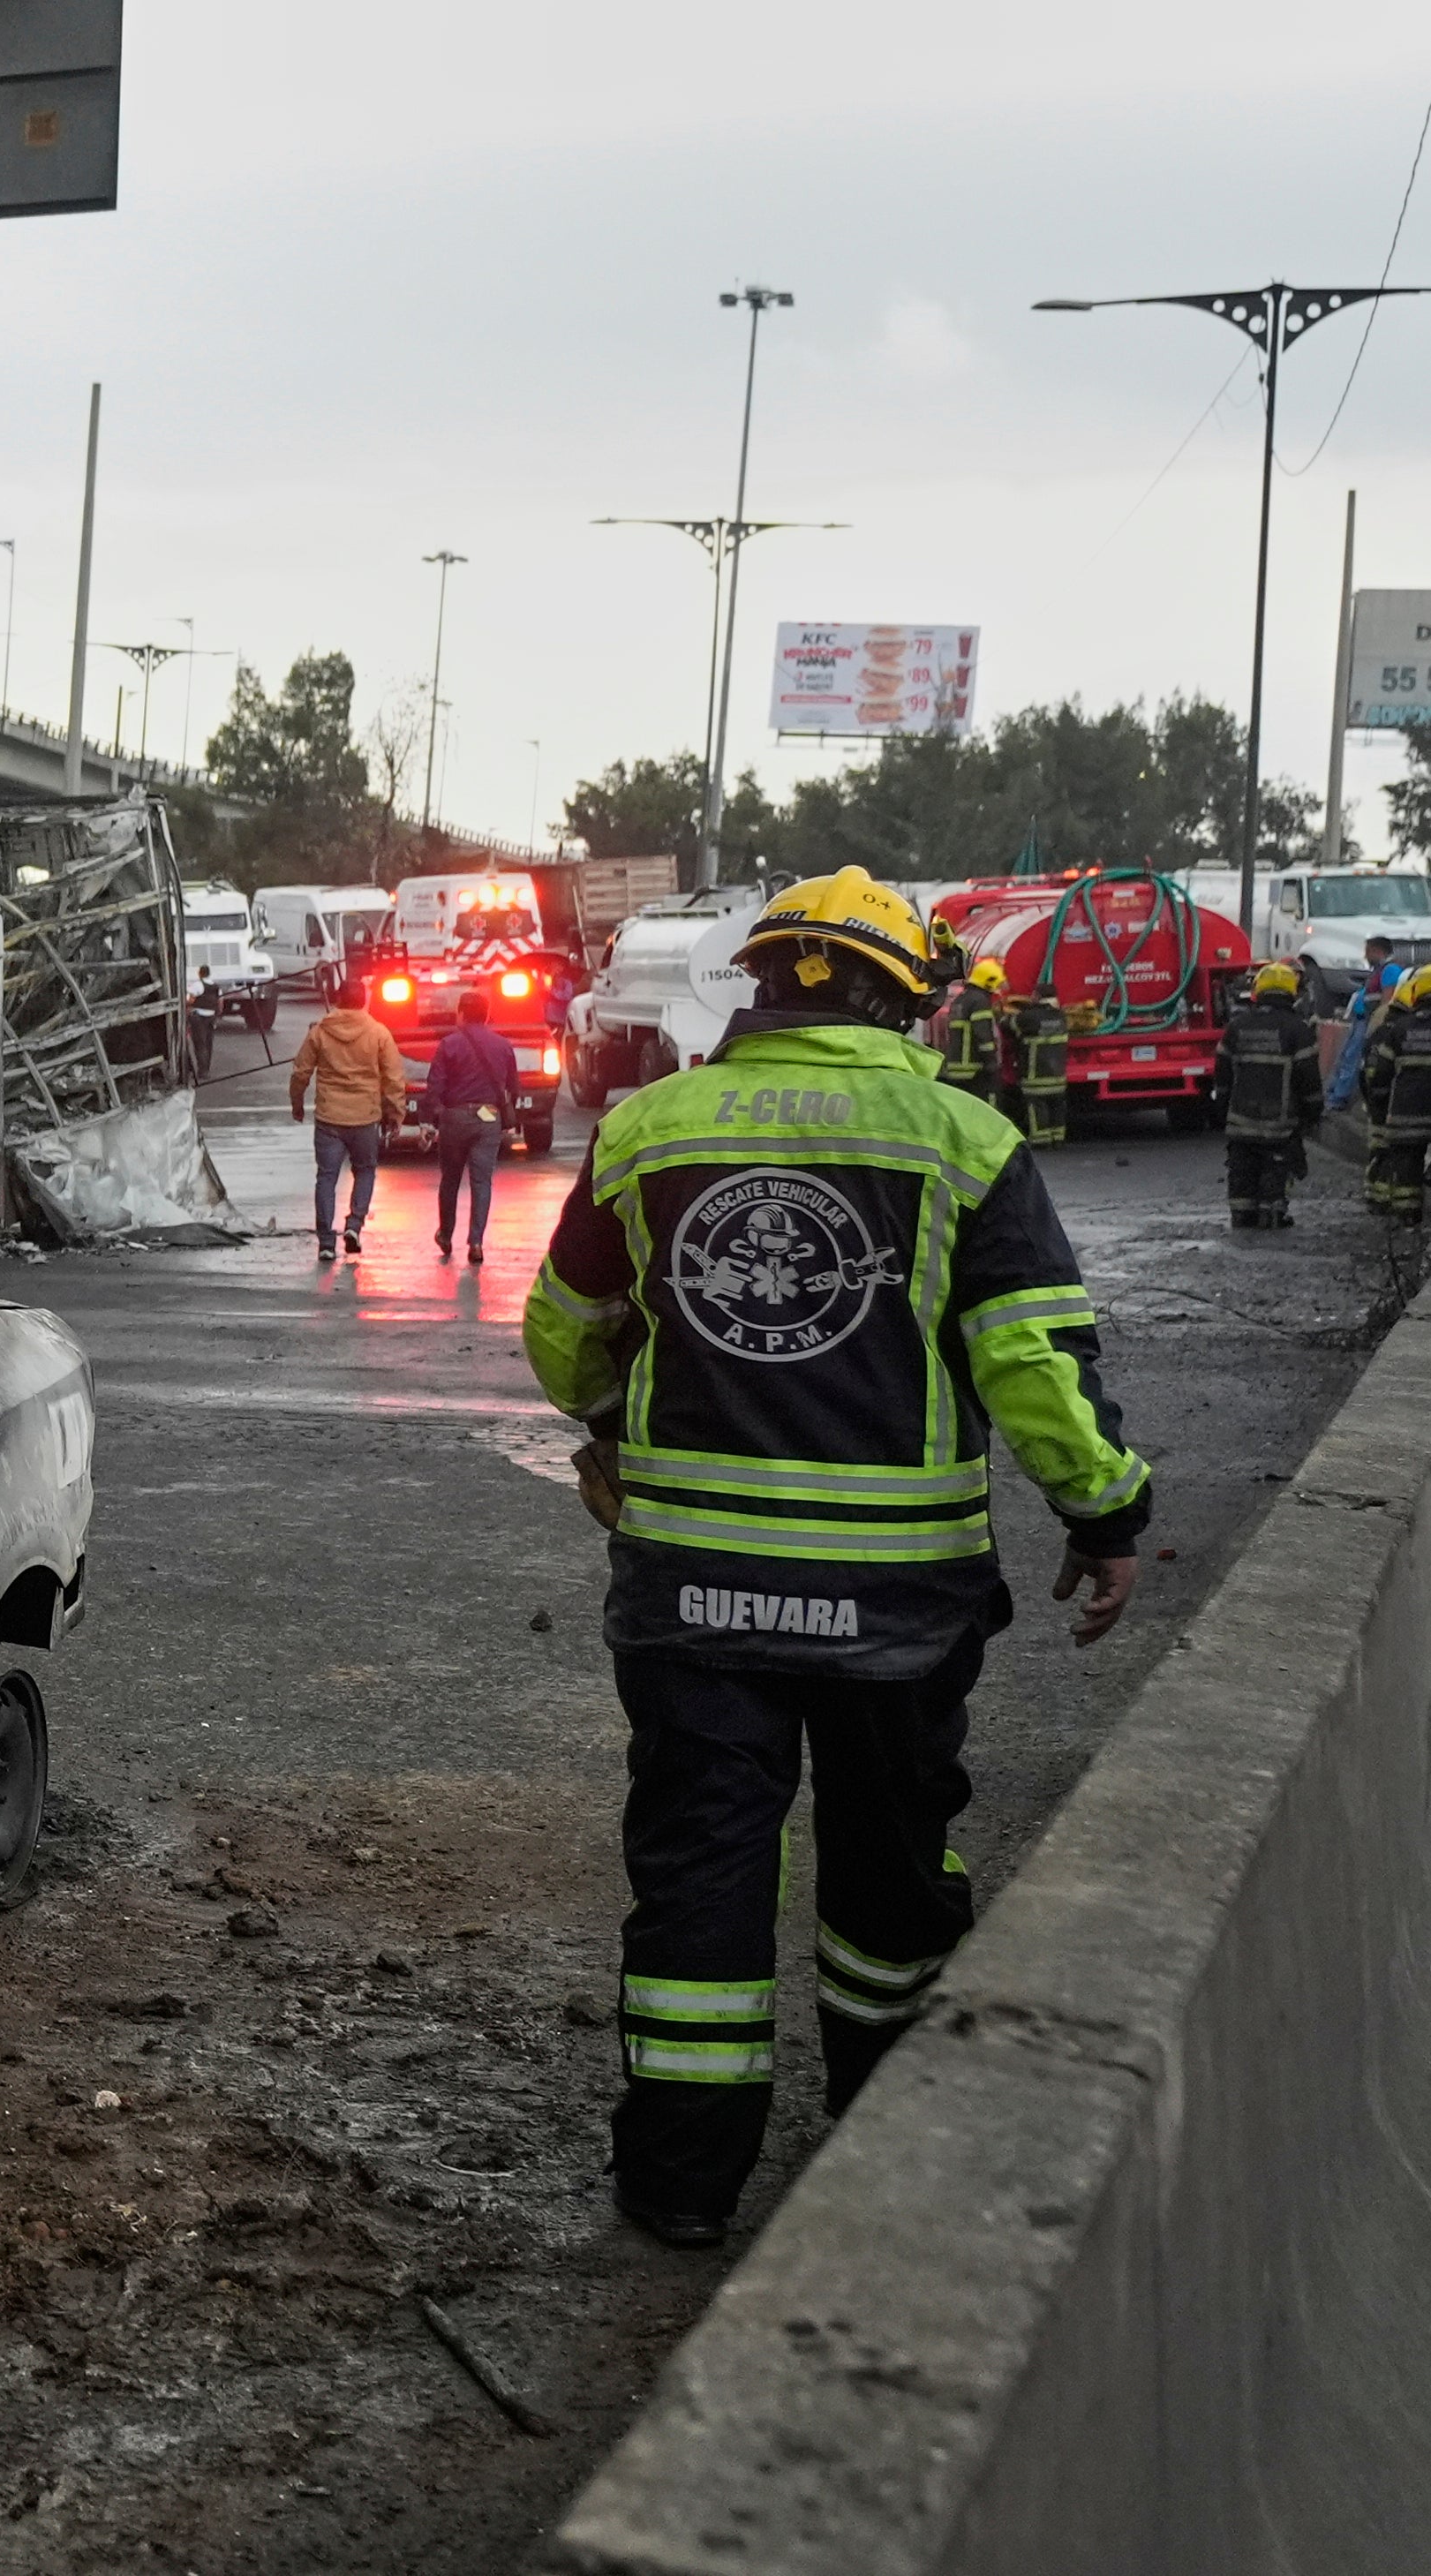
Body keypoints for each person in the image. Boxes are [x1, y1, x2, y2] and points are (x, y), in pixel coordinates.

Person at [523, 865, 1149, 2250]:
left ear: (762, 979)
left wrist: (611, 1420)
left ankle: (679, 2184)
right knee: (887, 1880)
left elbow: (567, 1333)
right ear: (902, 995)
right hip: (899, 1609)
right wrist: (1105, 1512)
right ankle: (879, 2147)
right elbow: (1029, 1362)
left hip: (690, 1595)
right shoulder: (963, 1139)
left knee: (698, 1876)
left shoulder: (648, 1128)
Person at [287, 983, 410, 1262]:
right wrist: (395, 1114)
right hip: (365, 1117)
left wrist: (297, 1104)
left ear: (338, 998)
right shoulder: (379, 1033)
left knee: (326, 1177)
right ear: (364, 1000)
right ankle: (354, 1225)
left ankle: (326, 1243)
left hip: (329, 1117)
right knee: (365, 1170)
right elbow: (393, 1079)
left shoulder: (319, 1032)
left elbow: (301, 1072)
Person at [421, 985, 523, 1263]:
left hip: (455, 1118)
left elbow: (435, 1086)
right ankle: (476, 1242)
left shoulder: (449, 1044)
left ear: (462, 1015)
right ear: (487, 1015)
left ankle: (445, 1234)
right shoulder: (503, 1046)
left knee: (450, 1180)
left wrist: (430, 1120)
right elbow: (513, 1087)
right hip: (488, 1117)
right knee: (482, 1182)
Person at [1218, 963, 1322, 1230]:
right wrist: (1313, 1112)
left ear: (1258, 990)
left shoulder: (1237, 1027)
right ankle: (1272, 1213)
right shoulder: (1298, 1030)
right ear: (1292, 992)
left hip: (1241, 1123)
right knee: (1276, 1170)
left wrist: (1223, 1108)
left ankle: (1241, 1216)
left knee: (1241, 1172)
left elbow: (1222, 1073)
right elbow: (1309, 1078)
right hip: (1281, 1125)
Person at [1361, 965, 1431, 1227]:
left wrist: (1379, 1105)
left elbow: (1380, 1076)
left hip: (1405, 1114)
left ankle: (1408, 1218)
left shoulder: (1398, 1029)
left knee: (1407, 1168)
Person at [1327, 936, 1397, 1111]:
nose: (1365, 957)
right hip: (1361, 1020)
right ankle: (1333, 1094)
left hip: (1369, 1023)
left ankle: (1339, 1098)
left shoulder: (1390, 970)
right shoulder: (1379, 970)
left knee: (1352, 1059)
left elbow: (1387, 1001)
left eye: (1367, 952)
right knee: (1345, 1057)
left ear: (1377, 951)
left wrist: (1377, 1026)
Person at [931, 960, 1009, 1111]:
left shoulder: (960, 1000)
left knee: (963, 1110)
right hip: (975, 1068)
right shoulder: (979, 1001)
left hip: (956, 1067)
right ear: (989, 981)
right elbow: (983, 1035)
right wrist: (991, 1063)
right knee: (986, 1110)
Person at [1008, 984, 1073, 1147]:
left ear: (1036, 996)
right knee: (1057, 1106)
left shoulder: (1028, 1017)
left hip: (1035, 1074)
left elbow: (1008, 1025)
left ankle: (1041, 1140)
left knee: (1037, 1107)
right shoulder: (1061, 1017)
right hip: (1057, 1074)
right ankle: (1058, 1139)